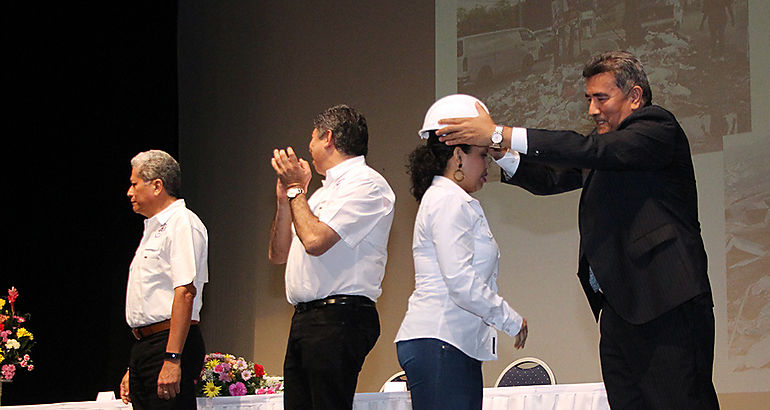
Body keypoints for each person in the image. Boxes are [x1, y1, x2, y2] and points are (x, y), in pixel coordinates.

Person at [436, 51, 719, 409]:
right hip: (621, 309)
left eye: (601, 98)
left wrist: (499, 132)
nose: (592, 110)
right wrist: (498, 149)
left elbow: (588, 149)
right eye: (588, 99)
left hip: (666, 302)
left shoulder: (657, 128)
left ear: (634, 96)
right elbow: (552, 177)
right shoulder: (606, 150)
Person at [394, 94, 528, 410]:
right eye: (483, 154)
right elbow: (460, 282)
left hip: (449, 343)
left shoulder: (452, 200)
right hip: (441, 341)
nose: (488, 164)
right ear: (458, 155)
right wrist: (511, 320)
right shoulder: (446, 201)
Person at [268, 104, 395, 410]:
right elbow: (278, 254)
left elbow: (314, 241)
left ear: (327, 137)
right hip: (306, 319)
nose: (308, 148)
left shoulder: (366, 183)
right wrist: (286, 199)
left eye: (311, 139)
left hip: (339, 318)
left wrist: (297, 189)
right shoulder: (320, 194)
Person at [119, 150, 208, 409]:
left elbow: (185, 292)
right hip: (148, 346)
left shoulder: (182, 222)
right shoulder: (153, 230)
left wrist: (171, 358)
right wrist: (135, 363)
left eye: (135, 184)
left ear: (157, 185)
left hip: (169, 344)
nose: (129, 192)